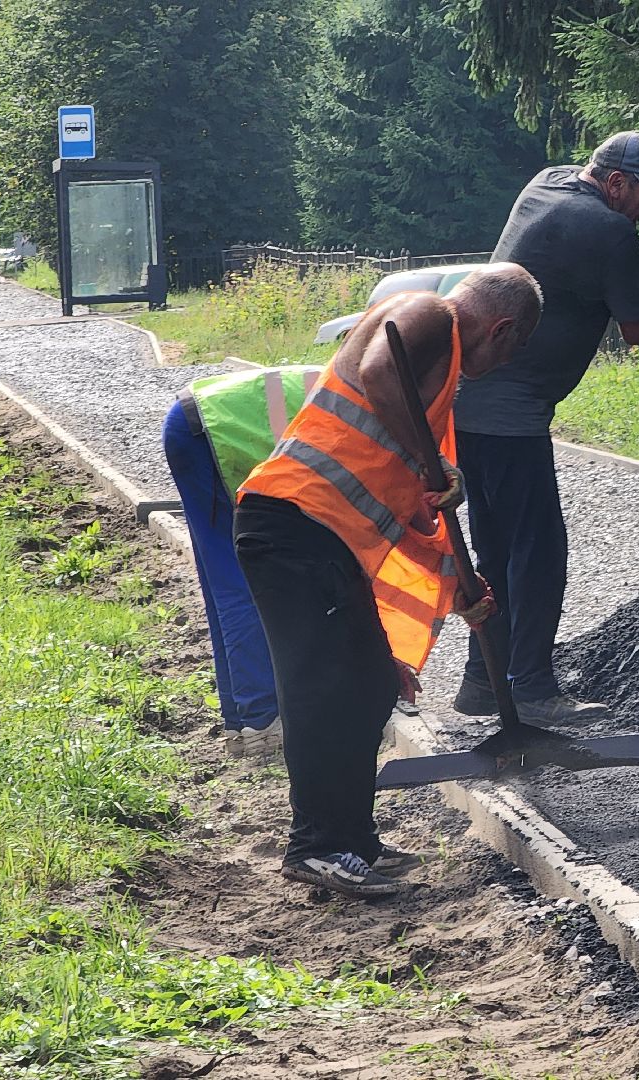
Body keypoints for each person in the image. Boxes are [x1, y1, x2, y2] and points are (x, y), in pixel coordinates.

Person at [234, 264, 542, 900]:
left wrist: (465, 591)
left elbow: (414, 522)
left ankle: (353, 841)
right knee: (323, 690)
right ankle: (316, 846)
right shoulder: (429, 313)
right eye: (511, 351)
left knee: (373, 684)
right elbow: (378, 372)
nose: (502, 364)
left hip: (322, 539)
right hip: (291, 522)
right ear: (503, 329)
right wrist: (430, 459)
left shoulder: (434, 387)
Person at [451, 94, 639, 725]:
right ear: (615, 186)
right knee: (539, 554)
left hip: (468, 404)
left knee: (498, 549)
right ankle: (531, 689)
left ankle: (483, 684)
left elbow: (628, 174)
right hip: (511, 416)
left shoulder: (549, 184)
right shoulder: (609, 230)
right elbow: (638, 328)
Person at [163, 366, 321, 758]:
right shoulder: (373, 420)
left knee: (223, 585)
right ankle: (262, 722)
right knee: (240, 583)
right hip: (208, 436)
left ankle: (242, 721)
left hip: (193, 421)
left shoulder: (360, 389)